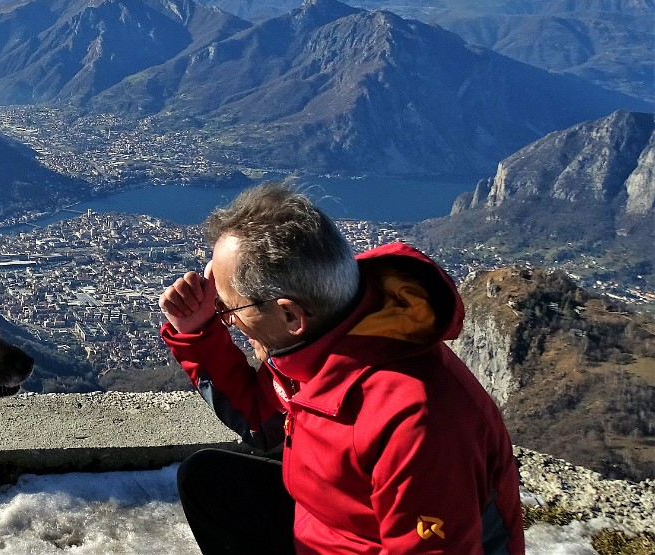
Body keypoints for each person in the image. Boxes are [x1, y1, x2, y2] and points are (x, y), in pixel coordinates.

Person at [159, 181, 523, 554]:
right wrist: (198, 331)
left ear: (289, 314)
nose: (229, 322)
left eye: (227, 309)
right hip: (330, 526)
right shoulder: (326, 330)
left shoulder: (414, 423)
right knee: (208, 480)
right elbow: (262, 419)